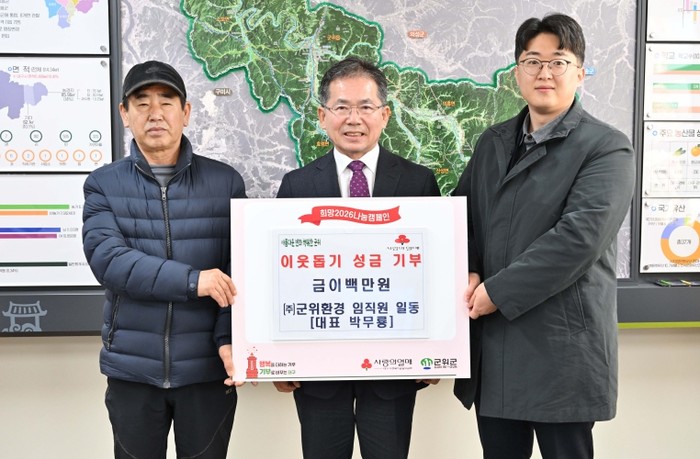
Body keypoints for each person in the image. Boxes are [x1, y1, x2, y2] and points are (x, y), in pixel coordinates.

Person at [452, 13, 636, 459]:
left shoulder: (607, 147)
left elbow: (578, 240)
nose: (544, 73)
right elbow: (461, 217)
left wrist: (496, 291)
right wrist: (470, 269)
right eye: (532, 61)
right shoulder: (493, 142)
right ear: (517, 72)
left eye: (558, 61)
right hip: (495, 351)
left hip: (562, 352)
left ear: (580, 73)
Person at [275, 57, 441, 459]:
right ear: (322, 116)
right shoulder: (297, 186)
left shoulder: (418, 181)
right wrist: (279, 359)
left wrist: (438, 350)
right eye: (342, 107)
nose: (354, 119)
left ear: (384, 115)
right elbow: (280, 279)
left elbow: (436, 273)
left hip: (395, 368)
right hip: (317, 370)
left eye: (366, 107)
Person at [82, 60, 247, 459]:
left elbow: (240, 270)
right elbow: (109, 261)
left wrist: (228, 339)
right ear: (125, 114)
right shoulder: (103, 184)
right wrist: (193, 280)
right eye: (141, 103)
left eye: (167, 102)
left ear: (185, 112)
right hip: (133, 371)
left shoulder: (225, 182)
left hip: (206, 371)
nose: (154, 113)